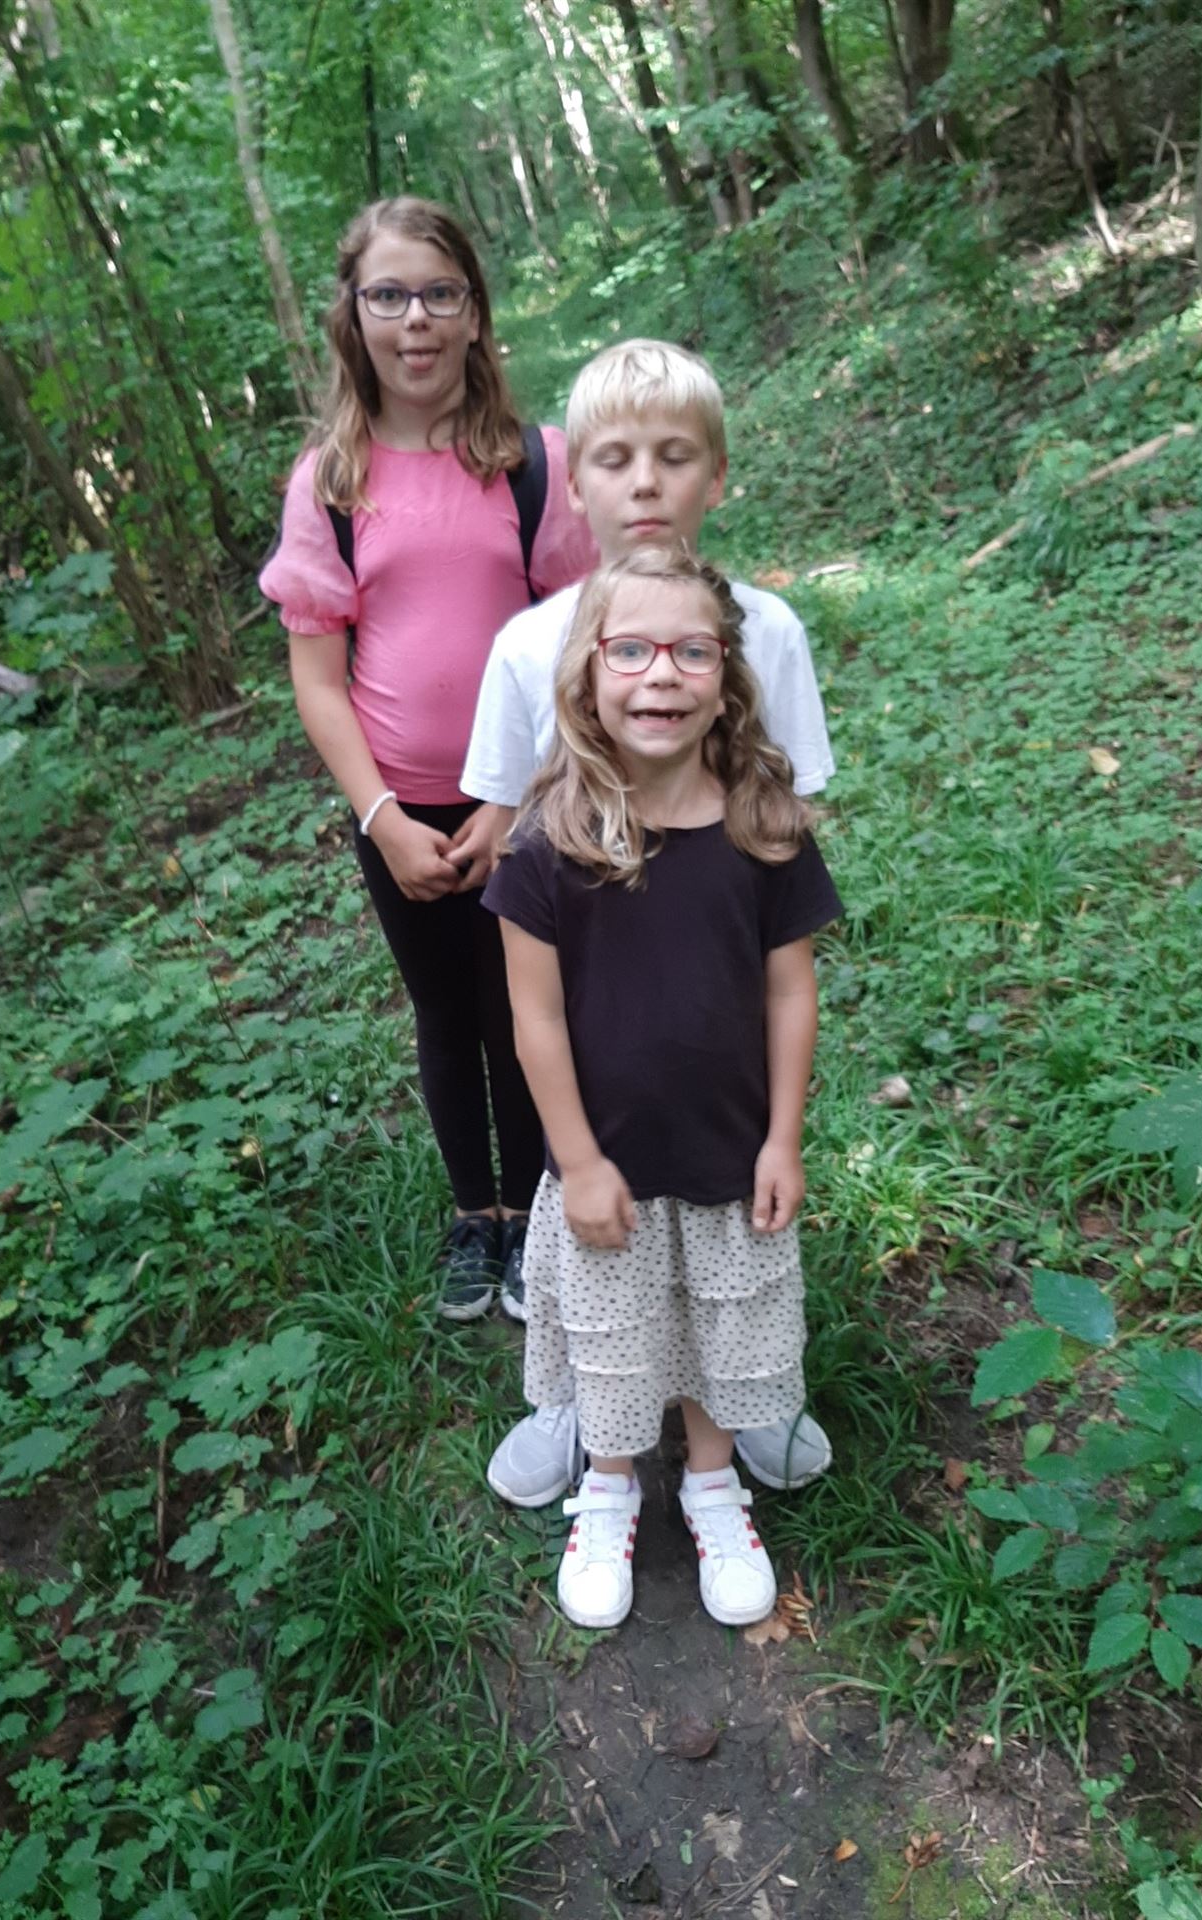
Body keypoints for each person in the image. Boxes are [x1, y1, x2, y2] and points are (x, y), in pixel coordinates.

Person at [464, 339, 836, 1505]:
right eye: (615, 459)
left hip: (716, 1007)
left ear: (715, 476)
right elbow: (511, 819)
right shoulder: (528, 644)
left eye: (674, 457)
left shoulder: (769, 628)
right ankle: (584, 1402)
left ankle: (745, 1388)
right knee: (599, 1228)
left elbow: (790, 809)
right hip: (595, 1002)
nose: (645, 483)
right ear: (574, 483)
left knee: (727, 1219)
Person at [483, 547, 842, 1628]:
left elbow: (790, 991)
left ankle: (712, 1482)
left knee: (723, 1328)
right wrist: (578, 1162)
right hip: (610, 1167)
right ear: (588, 673)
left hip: (731, 1153)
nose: (661, 676)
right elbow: (535, 1020)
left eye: (692, 652)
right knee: (617, 1335)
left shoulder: (762, 830)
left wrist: (783, 1139)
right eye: (631, 650)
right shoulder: (546, 844)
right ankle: (608, 1487)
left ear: (727, 676)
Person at [259, 197, 597, 1320]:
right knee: (447, 1010)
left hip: (530, 800)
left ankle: (543, 1213)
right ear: (353, 317)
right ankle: (476, 1216)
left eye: (440, 294)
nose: (416, 319)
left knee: (526, 1010)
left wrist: (517, 800)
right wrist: (382, 819)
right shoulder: (330, 483)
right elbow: (320, 680)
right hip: (398, 809)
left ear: (475, 313)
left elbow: (581, 645)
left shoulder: (535, 466)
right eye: (390, 295)